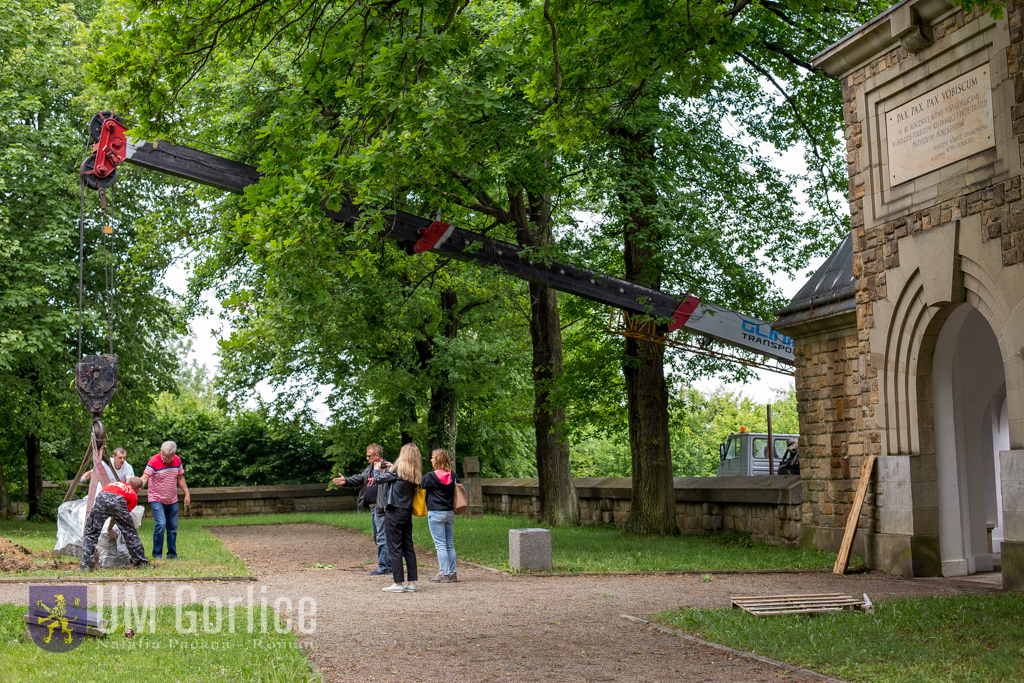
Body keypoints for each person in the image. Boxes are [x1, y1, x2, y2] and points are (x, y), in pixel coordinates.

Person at [333, 444, 391, 575]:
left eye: (369, 456)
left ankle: (385, 566)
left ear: (377, 456)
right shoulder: (370, 468)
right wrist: (346, 481)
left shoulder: (387, 467)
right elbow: (360, 478)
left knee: (382, 537)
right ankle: (388, 564)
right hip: (372, 507)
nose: (367, 459)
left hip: (381, 507)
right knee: (378, 537)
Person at [374, 443, 422, 593]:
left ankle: (398, 582)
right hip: (406, 512)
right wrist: (390, 468)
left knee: (394, 547)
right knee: (408, 547)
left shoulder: (398, 470)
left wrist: (377, 470)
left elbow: (378, 480)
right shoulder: (413, 472)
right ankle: (411, 582)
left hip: (394, 511)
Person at [79, 477, 149, 571]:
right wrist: (111, 528)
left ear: (128, 482)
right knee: (130, 533)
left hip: (102, 497)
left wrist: (109, 529)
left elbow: (113, 514)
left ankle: (85, 565)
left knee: (91, 533)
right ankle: (142, 562)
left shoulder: (116, 484)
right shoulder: (133, 495)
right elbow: (118, 516)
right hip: (119, 501)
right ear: (138, 489)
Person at [140, 441, 191, 560]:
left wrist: (186, 494)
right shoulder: (154, 461)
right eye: (164, 456)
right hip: (156, 498)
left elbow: (180, 478)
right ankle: (157, 554)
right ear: (161, 451)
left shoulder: (177, 460)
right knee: (161, 524)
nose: (167, 459)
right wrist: (135, 487)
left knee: (172, 528)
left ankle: (172, 554)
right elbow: (145, 477)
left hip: (172, 499)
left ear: (174, 454)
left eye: (169, 457)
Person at [420, 448, 458, 583]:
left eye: (432, 458)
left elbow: (419, 484)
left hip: (436, 513)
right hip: (450, 512)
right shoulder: (453, 475)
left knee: (440, 545)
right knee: (449, 544)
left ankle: (443, 574)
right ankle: (452, 573)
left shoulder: (431, 476)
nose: (431, 460)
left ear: (438, 460)